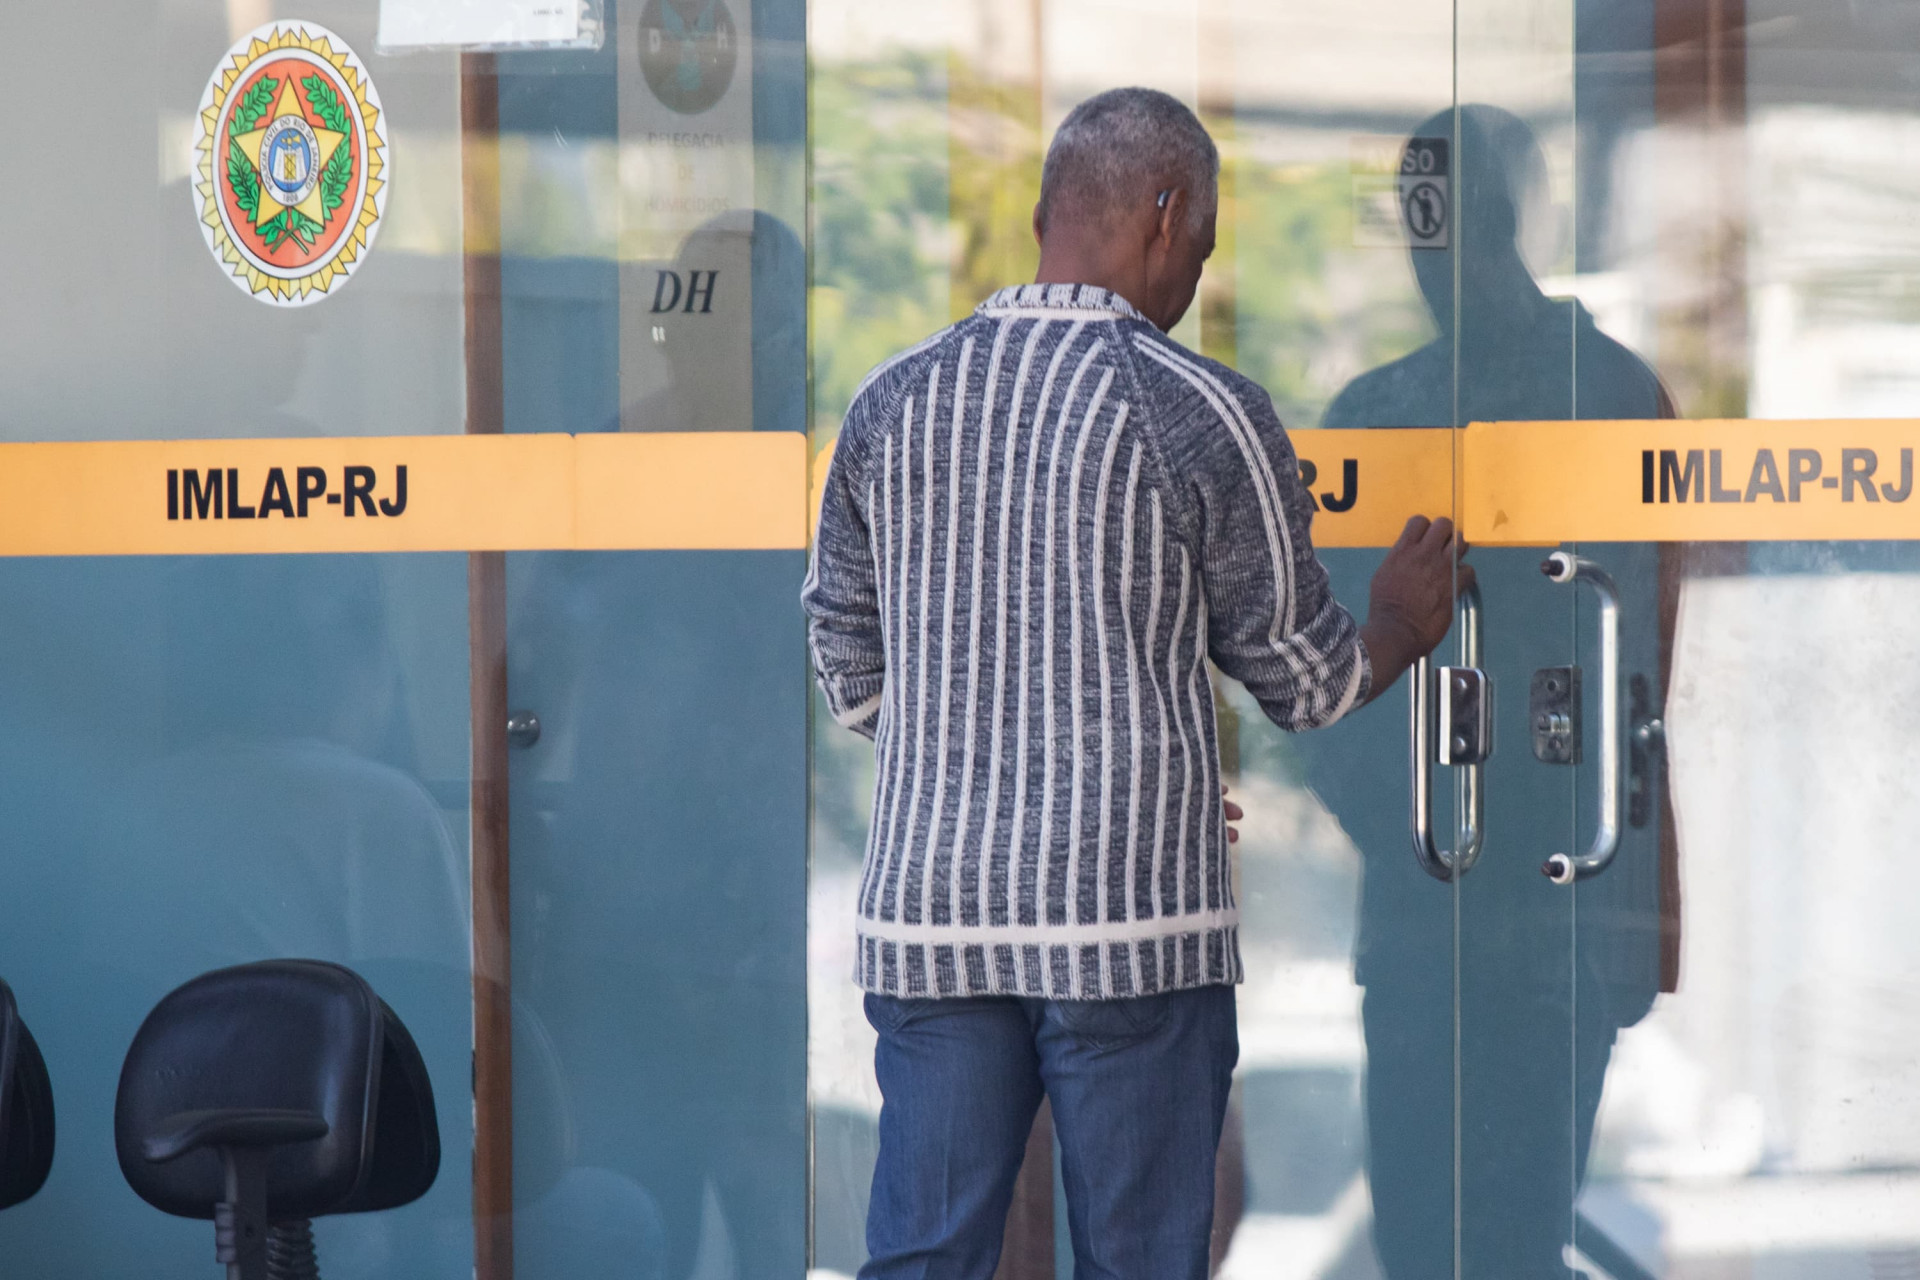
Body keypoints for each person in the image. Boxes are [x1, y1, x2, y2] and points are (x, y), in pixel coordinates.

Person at [802, 87, 1467, 1279]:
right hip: (1128, 932)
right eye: (1202, 249)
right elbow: (1307, 680)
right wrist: (1400, 625)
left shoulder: (889, 402)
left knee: (923, 1258)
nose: (1194, 282)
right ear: (1165, 215)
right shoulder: (1196, 405)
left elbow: (845, 655)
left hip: (931, 919)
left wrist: (988, 760)